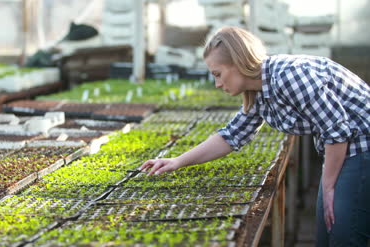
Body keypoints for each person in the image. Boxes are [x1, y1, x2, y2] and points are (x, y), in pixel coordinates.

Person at [139, 26, 369, 246]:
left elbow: (337, 131)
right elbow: (231, 136)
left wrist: (328, 187)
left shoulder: (289, 77)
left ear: (238, 63)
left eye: (218, 74)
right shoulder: (258, 91)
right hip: (347, 150)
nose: (217, 84)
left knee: (343, 236)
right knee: (327, 233)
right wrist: (177, 161)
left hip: (362, 148)